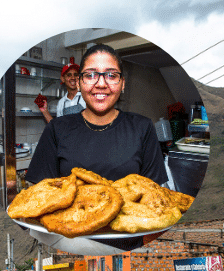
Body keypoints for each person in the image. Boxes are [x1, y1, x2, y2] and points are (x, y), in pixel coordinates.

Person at [26, 43, 168, 187]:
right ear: (79, 84)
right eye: (90, 75)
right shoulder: (55, 129)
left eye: (111, 75)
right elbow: (40, 194)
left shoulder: (142, 127)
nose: (101, 84)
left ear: (122, 84)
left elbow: (154, 195)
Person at [37, 57, 86, 122]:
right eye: (69, 75)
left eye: (75, 74)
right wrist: (45, 111)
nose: (73, 78)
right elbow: (58, 127)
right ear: (63, 79)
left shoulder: (86, 97)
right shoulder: (61, 103)